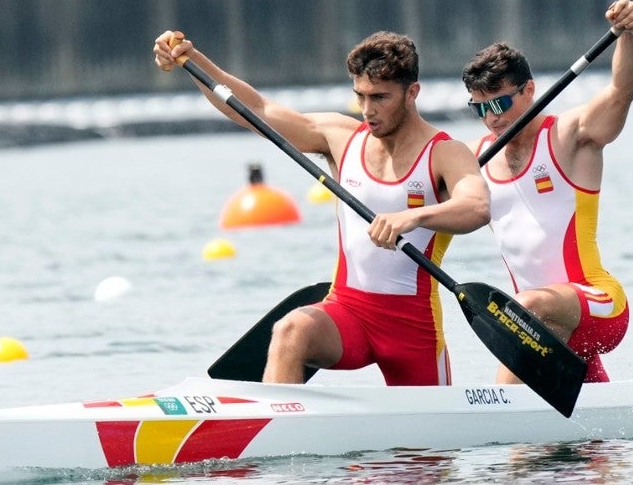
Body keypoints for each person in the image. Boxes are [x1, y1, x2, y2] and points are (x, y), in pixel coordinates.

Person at [154, 29, 490, 386]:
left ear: (412, 93)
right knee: (291, 329)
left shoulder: (444, 153)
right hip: (350, 310)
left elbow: (476, 206)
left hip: (414, 329)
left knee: (425, 446)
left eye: (380, 97)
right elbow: (255, 109)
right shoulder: (340, 138)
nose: (368, 110)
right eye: (360, 95)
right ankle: (275, 430)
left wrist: (413, 215)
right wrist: (192, 62)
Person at [460, 0, 633, 383]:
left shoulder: (568, 136)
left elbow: (620, 93)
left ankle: (499, 416)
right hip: (543, 327)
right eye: (479, 109)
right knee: (590, 439)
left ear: (529, 90)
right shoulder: (474, 161)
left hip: (599, 306)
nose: (492, 120)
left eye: (501, 103)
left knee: (522, 308)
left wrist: (627, 36)